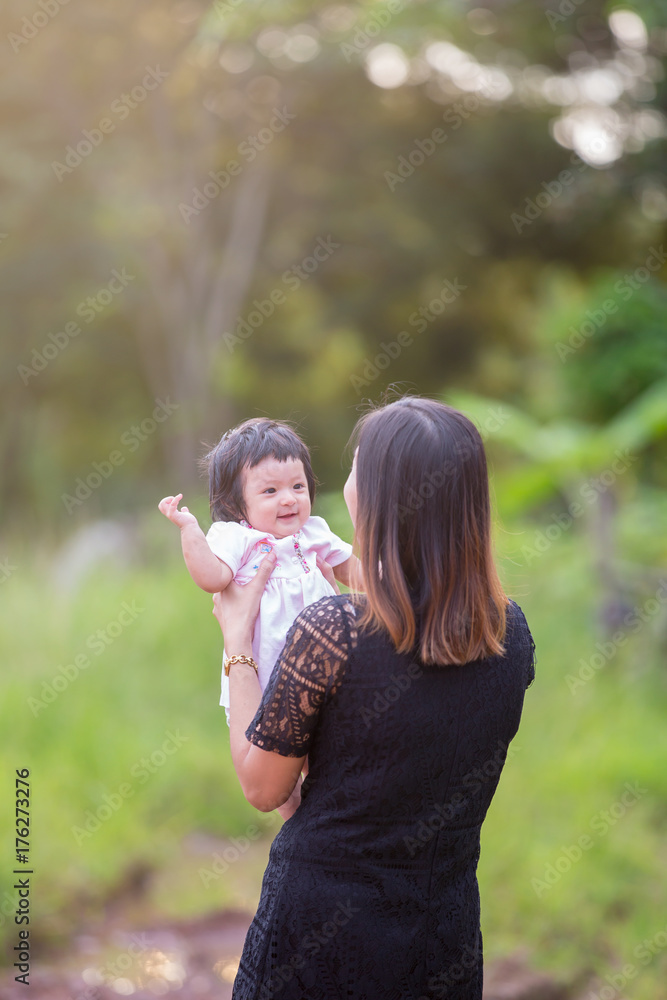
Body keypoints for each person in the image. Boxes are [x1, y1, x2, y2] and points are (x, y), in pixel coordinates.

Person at [213, 396, 536, 1000]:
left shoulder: (334, 632)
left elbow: (262, 787)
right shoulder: (509, 634)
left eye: (358, 468)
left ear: (385, 498)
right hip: (443, 939)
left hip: (318, 947)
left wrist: (237, 642)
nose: (346, 482)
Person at [158, 418, 358, 818]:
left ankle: (322, 822)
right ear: (236, 505)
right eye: (270, 490)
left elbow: (357, 572)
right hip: (261, 678)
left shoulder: (314, 534)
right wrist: (190, 531)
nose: (289, 499)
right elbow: (211, 577)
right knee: (278, 779)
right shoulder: (238, 539)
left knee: (324, 761)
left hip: (318, 674)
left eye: (297, 486)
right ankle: (297, 826)